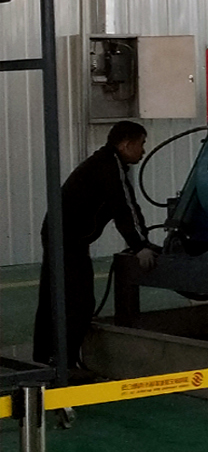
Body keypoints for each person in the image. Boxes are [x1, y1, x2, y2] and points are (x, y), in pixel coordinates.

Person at [33, 121, 159, 371]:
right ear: (126, 145)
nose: (144, 150)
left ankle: (45, 357)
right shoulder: (110, 168)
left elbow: (126, 208)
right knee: (78, 302)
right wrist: (140, 246)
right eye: (141, 144)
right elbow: (125, 209)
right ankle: (64, 364)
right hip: (69, 240)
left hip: (59, 234)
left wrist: (140, 241)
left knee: (54, 295)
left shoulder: (103, 163)